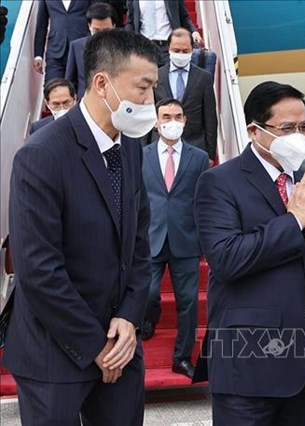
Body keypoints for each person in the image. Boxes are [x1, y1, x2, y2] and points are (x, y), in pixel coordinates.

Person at [4, 28, 158, 425]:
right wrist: (95, 346)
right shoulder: (42, 155)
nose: (150, 102)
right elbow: (38, 269)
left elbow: (139, 245)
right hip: (54, 350)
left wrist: (128, 317)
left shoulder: (130, 148)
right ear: (102, 83)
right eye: (143, 88)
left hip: (121, 343)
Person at [193, 81, 305, 425]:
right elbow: (227, 259)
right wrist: (295, 220)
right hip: (249, 367)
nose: (298, 136)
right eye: (287, 128)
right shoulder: (220, 182)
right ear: (255, 131)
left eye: (304, 127)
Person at [141, 98, 210, 379]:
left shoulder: (199, 157)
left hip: (186, 240)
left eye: (177, 116)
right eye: (166, 116)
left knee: (188, 302)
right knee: (147, 292)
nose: (172, 121)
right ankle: (149, 316)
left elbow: (205, 201)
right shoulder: (141, 155)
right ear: (156, 123)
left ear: (184, 120)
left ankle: (181, 357)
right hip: (150, 238)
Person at [153, 28, 217, 162]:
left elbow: (210, 117)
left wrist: (210, 154)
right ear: (168, 48)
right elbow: (149, 114)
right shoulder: (156, 76)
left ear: (192, 50)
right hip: (161, 145)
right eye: (176, 51)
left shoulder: (204, 77)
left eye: (185, 51)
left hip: (194, 145)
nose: (180, 54)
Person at [125, 0, 202, 67]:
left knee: (168, 80)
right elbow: (131, 21)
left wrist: (194, 32)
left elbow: (184, 17)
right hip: (144, 47)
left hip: (168, 46)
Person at [65, 2, 116, 99]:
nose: (101, 35)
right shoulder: (76, 46)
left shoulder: (124, 47)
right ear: (89, 25)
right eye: (96, 30)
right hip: (85, 101)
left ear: (114, 25)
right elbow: (70, 82)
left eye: (106, 31)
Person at [33, 0, 91, 82]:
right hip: (55, 49)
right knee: (52, 87)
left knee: (80, 88)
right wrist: (38, 55)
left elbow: (96, 14)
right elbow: (41, 24)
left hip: (82, 49)